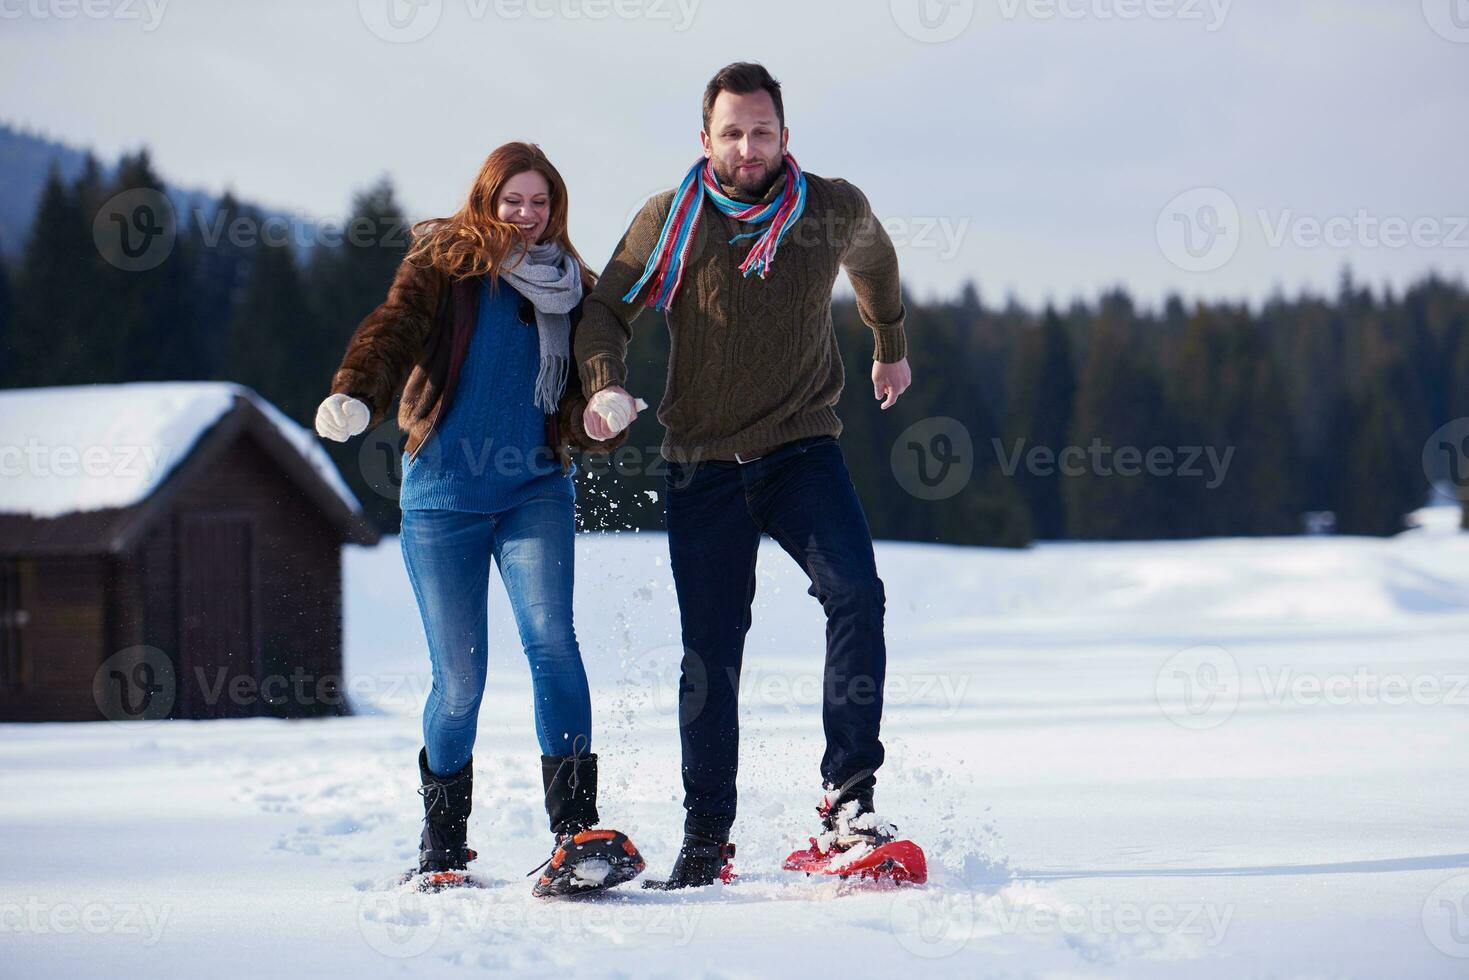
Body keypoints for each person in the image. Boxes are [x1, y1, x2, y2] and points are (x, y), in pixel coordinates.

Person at [576, 63, 913, 888]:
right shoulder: (671, 219)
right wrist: (606, 382)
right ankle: (706, 834)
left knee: (856, 594)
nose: (747, 146)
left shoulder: (829, 207)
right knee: (711, 653)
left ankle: (847, 805)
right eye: (731, 132)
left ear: (784, 137)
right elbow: (604, 310)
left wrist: (889, 343)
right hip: (701, 464)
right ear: (705, 139)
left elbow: (874, 261)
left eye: (762, 131)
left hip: (801, 449)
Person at [314, 141, 644, 896]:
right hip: (441, 498)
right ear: (486, 200)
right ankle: (443, 846)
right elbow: (393, 328)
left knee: (552, 643)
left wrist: (606, 410)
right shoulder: (445, 263)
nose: (526, 216)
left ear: (556, 207)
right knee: (460, 680)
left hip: (534, 489)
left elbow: (598, 375)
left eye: (540, 203)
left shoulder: (574, 289)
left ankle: (575, 831)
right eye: (513, 201)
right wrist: (356, 391)